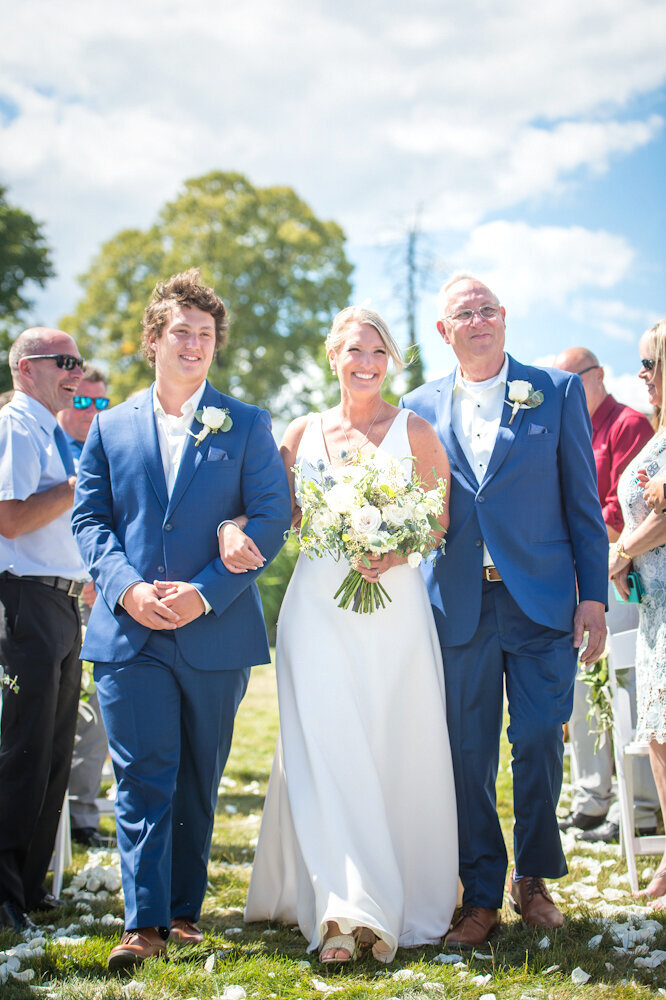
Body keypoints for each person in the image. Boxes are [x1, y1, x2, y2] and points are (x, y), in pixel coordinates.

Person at [72, 269, 291, 972]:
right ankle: (141, 925)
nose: (194, 344)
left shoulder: (248, 423)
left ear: (214, 345)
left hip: (215, 631)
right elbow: (91, 519)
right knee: (142, 777)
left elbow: (271, 518)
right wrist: (127, 589)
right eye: (181, 332)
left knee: (198, 777)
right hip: (130, 633)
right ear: (154, 340)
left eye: (205, 334)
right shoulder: (109, 427)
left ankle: (181, 912)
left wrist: (202, 592)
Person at [236, 306, 458, 964]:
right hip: (317, 609)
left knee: (393, 742)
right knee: (327, 747)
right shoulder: (301, 433)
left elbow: (438, 521)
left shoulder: (416, 431)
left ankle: (399, 891)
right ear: (332, 356)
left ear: (391, 360)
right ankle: (345, 912)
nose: (366, 363)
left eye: (379, 352)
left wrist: (394, 550)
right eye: (355, 350)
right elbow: (277, 516)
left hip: (394, 607)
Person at [402, 275, 608, 947]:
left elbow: (583, 501)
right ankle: (481, 892)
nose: (480, 318)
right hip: (458, 602)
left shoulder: (555, 390)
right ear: (445, 331)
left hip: (542, 599)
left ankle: (535, 878)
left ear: (506, 318)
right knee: (468, 751)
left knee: (541, 739)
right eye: (466, 312)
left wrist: (594, 597)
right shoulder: (416, 406)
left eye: (489, 308)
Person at [0, 328, 88, 929]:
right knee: (23, 751)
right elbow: (10, 519)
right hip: (26, 601)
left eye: (80, 363)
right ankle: (3, 896)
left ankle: (28, 890)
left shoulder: (50, 432)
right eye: (66, 362)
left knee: (55, 752)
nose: (77, 373)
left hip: (61, 605)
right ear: (26, 368)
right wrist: (80, 487)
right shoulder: (16, 426)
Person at [553, 348, 657, 843]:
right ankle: (591, 798)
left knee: (622, 686)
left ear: (595, 377)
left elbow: (620, 504)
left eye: (571, 378)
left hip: (615, 570)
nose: (563, 389)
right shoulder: (568, 426)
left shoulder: (629, 423)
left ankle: (636, 805)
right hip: (571, 573)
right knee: (580, 685)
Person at [609, 319, 666, 908]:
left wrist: (622, 549)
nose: (642, 375)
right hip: (655, 610)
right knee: (660, 738)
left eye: (651, 363)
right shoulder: (658, 431)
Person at [58, 364, 112, 848]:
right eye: (83, 402)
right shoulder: (52, 451)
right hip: (49, 599)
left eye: (101, 404)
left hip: (99, 602)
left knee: (95, 713)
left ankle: (83, 818)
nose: (92, 413)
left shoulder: (109, 451)